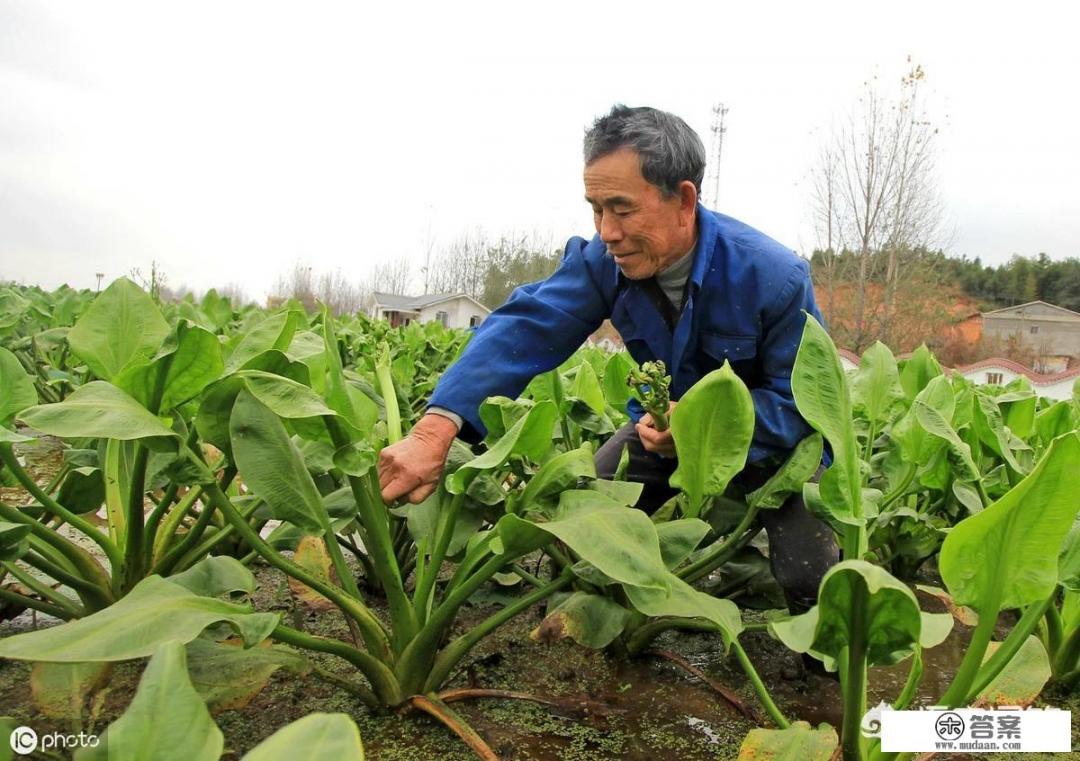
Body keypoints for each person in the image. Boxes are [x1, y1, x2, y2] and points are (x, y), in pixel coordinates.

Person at [378, 104, 838, 611]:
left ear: (683, 200)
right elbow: (528, 325)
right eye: (595, 208)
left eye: (621, 209)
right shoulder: (605, 261)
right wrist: (434, 430)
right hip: (660, 435)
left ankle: (822, 674)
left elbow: (801, 407)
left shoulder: (773, 276)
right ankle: (610, 625)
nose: (606, 231)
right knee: (582, 514)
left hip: (772, 446)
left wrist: (704, 426)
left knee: (809, 573)